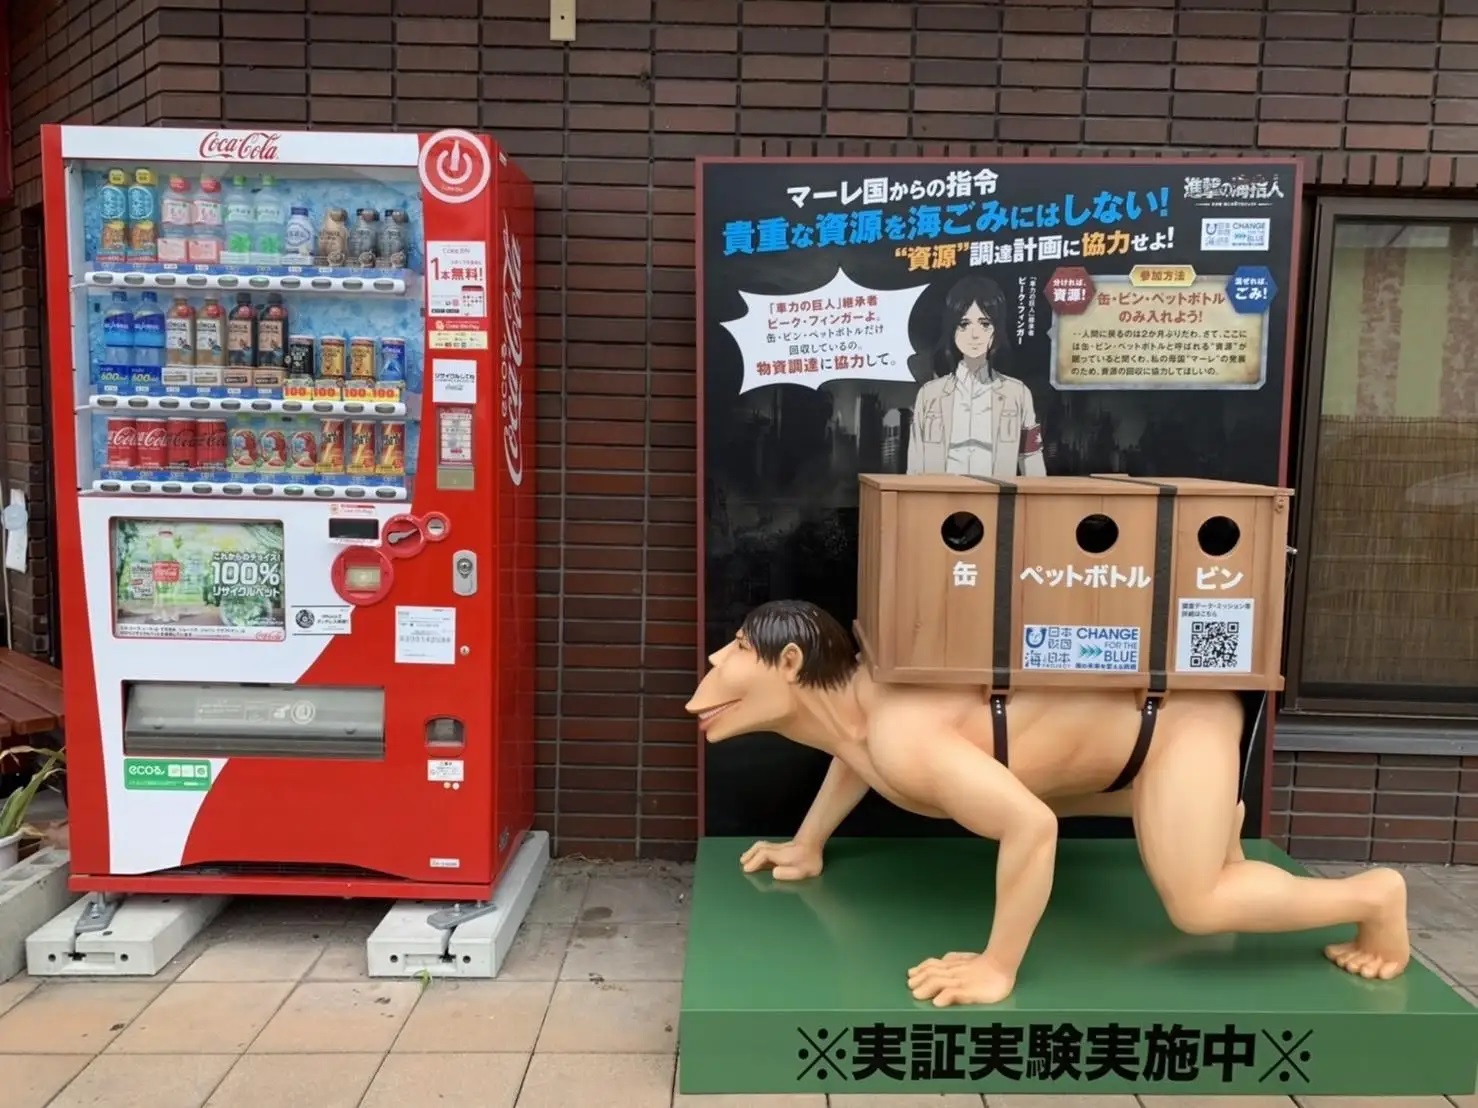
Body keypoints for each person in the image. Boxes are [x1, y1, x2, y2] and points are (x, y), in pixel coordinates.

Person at [686, 598, 1411, 1008]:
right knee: (1108, 805)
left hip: (1176, 730)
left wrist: (996, 965)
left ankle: (1375, 899)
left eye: (740, 648)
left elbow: (1032, 827)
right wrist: (808, 842)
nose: (719, 659)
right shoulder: (864, 710)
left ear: (790, 665)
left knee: (1199, 905)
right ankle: (1208, 820)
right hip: (1124, 748)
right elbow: (854, 755)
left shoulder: (902, 736)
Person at [906, 273, 1047, 478]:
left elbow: (1031, 459)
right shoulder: (930, 395)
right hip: (940, 496)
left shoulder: (1017, 393)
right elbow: (915, 463)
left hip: (997, 495)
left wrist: (1038, 496)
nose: (974, 334)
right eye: (964, 324)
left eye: (985, 324)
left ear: (996, 329)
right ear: (952, 328)